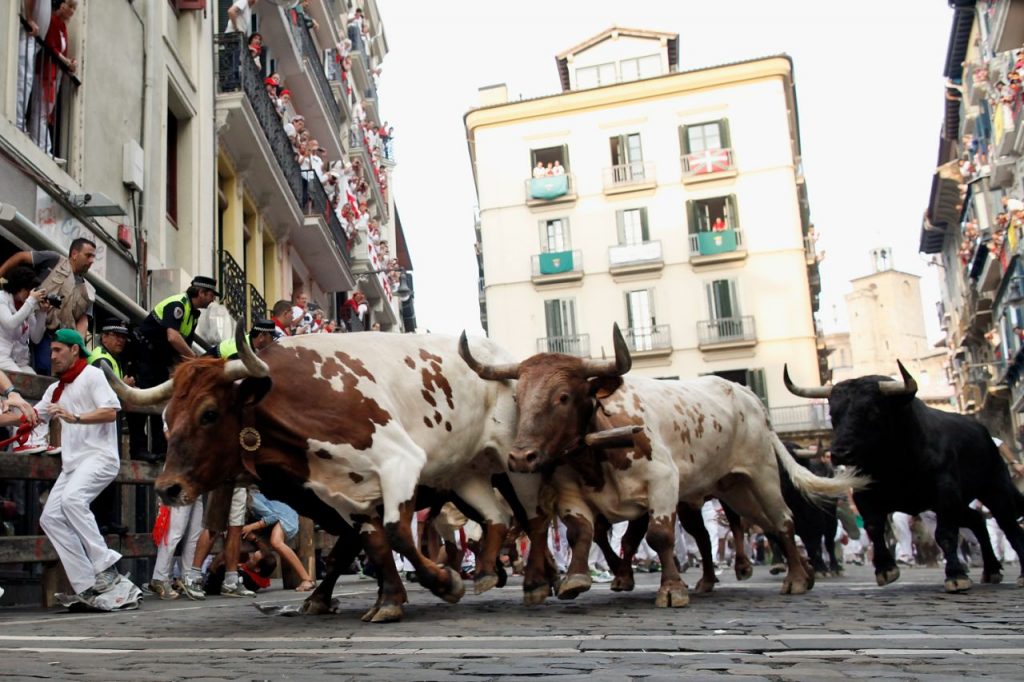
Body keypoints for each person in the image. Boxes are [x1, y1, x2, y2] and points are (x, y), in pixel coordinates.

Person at [34, 329, 130, 607]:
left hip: (100, 458)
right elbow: (32, 416)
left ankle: (106, 570)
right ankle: (86, 583)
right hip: (74, 466)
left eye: (57, 350)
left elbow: (111, 411)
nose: (52, 357)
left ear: (75, 350)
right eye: (51, 351)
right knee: (50, 518)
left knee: (72, 501)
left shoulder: (93, 375)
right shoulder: (56, 388)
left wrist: (74, 417)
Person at [130, 276, 218, 461]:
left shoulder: (193, 314)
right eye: (211, 295)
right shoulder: (178, 304)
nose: (212, 299)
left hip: (159, 361)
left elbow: (182, 347)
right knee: (140, 402)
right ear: (201, 292)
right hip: (143, 356)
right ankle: (138, 448)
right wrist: (195, 361)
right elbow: (173, 337)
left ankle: (160, 450)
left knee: (160, 403)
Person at [0, 238, 96, 375]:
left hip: (58, 334)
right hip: (40, 327)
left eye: (93, 257)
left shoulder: (88, 291)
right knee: (43, 368)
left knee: (59, 372)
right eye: (88, 255)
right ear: (74, 254)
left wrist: (77, 344)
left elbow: (83, 320)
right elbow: (21, 257)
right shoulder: (54, 260)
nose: (92, 260)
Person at [29, 0, 77, 156]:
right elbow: (50, 45)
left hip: (55, 75)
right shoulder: (53, 21)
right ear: (61, 5)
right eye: (70, 6)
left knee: (45, 111)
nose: (72, 11)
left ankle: (43, 145)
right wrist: (65, 61)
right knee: (41, 110)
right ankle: (43, 147)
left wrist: (70, 64)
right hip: (45, 71)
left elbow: (61, 50)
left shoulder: (63, 26)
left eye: (74, 8)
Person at [243, 489, 316, 592]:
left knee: (276, 542)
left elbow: (273, 516)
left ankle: (307, 579)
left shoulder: (251, 499)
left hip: (284, 516)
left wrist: (251, 526)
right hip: (274, 521)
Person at [0, 266, 46, 374]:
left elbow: (36, 338)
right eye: (28, 290)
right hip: (2, 356)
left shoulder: (25, 305)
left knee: (34, 382)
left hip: (20, 361)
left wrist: (42, 312)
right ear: (18, 287)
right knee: (21, 383)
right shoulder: (2, 298)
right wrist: (30, 301)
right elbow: (10, 323)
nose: (30, 293)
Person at [17, 0, 52, 133]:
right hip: (27, 34)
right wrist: (30, 19)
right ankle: (18, 121)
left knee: (26, 79)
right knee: (24, 78)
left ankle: (20, 120)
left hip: (31, 38)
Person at [87, 319, 133, 384]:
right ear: (104, 337)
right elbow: (101, 391)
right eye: (116, 335)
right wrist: (124, 385)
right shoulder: (102, 359)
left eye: (123, 337)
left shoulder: (112, 356)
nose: (121, 340)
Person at [207, 319, 276, 359]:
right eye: (272, 337)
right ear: (261, 337)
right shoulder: (241, 353)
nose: (274, 341)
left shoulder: (248, 341)